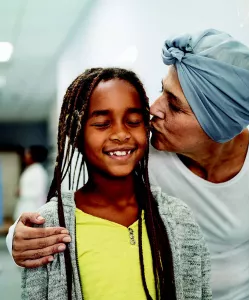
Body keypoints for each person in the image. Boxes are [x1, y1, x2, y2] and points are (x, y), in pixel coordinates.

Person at [7, 29, 249, 299]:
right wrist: (18, 239)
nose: (154, 108)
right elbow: (69, 212)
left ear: (217, 124)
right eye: (163, 90)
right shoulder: (134, 153)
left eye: (174, 105)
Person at [20, 68, 211, 300]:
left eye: (133, 121)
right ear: (76, 133)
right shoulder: (51, 226)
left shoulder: (178, 217)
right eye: (102, 124)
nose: (121, 134)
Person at [13, 145, 49, 221]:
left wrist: (22, 192)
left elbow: (39, 192)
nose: (26, 155)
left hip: (32, 207)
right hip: (25, 205)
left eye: (28, 153)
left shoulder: (38, 171)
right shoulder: (31, 169)